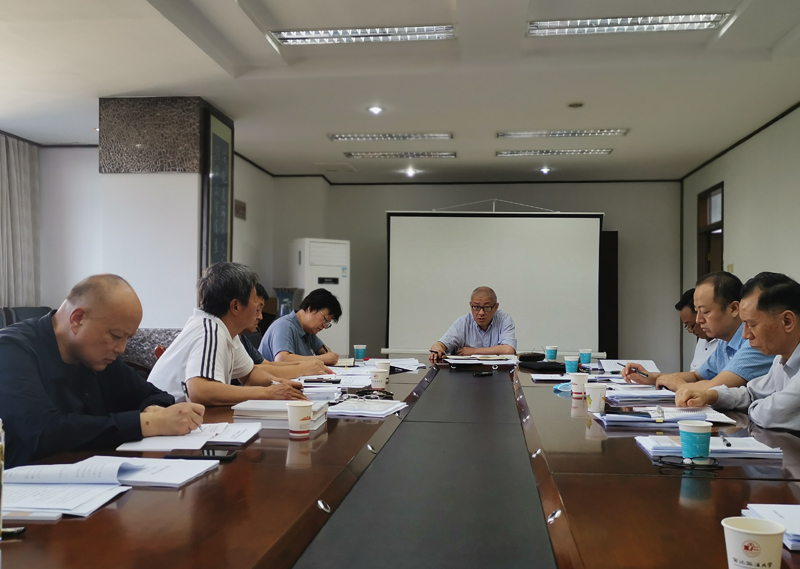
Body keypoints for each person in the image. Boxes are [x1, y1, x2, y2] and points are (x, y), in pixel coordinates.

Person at [0, 274, 205, 468]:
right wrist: (149, 423)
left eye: (127, 338)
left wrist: (155, 411)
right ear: (77, 319)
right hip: (23, 485)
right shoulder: (10, 350)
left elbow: (155, 396)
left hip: (92, 475)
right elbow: (44, 432)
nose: (121, 348)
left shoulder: (96, 357)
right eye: (116, 335)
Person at [148, 263, 307, 405]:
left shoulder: (226, 332)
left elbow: (249, 375)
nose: (259, 313)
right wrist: (268, 393)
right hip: (164, 416)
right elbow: (199, 391)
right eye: (255, 302)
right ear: (235, 306)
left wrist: (281, 384)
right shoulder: (209, 330)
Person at [676, 272, 800, 430]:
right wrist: (711, 395)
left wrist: (754, 405)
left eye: (752, 325)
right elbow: (751, 393)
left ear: (787, 321)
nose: (745, 335)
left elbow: (769, 415)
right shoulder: (781, 359)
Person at [623, 272, 772, 391]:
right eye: (697, 311)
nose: (699, 320)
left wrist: (678, 385)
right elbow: (697, 376)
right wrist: (652, 377)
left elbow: (713, 387)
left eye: (705, 312)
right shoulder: (725, 341)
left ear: (733, 309)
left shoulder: (755, 341)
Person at [238, 283, 331, 380]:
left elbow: (264, 365)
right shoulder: (284, 325)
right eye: (257, 310)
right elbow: (279, 360)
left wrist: (308, 365)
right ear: (236, 306)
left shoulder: (239, 338)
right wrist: (303, 368)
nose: (260, 317)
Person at [429, 286, 516, 363]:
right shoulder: (463, 323)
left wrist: (474, 351)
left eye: (487, 307)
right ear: (471, 306)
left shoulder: (503, 319)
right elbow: (439, 345)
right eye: (476, 307)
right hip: (467, 372)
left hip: (498, 371)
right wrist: (437, 350)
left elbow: (508, 350)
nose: (481, 313)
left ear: (496, 307)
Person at [258, 288, 341, 365]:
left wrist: (328, 357)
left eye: (328, 323)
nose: (324, 326)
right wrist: (320, 359)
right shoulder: (285, 325)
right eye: (325, 319)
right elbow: (282, 359)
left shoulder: (308, 331)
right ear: (310, 309)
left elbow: (326, 353)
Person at [675, 288, 718, 371]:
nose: (690, 330)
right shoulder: (702, 339)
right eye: (686, 325)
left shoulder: (724, 341)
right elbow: (694, 373)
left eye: (692, 325)